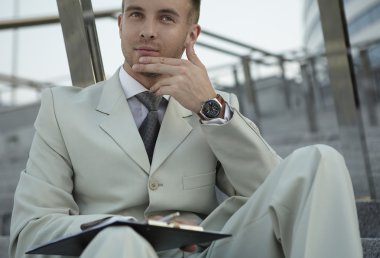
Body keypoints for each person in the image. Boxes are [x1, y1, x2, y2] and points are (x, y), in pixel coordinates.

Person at [10, 0, 363, 257]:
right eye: (136, 14)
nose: (147, 30)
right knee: (122, 243)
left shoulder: (215, 106)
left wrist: (210, 109)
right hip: (114, 252)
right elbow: (30, 231)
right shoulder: (61, 108)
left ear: (191, 34)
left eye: (166, 17)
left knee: (321, 160)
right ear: (120, 25)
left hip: (208, 253)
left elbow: (277, 193)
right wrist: (121, 228)